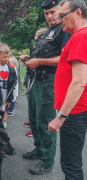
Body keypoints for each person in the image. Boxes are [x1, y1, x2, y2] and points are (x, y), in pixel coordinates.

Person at [20, 0, 71, 175]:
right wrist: (30, 57)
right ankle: (39, 149)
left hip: (49, 82)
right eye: (46, 13)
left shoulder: (63, 30)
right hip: (36, 80)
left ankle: (47, 161)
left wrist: (40, 61)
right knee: (34, 118)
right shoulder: (48, 31)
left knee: (46, 121)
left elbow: (64, 58)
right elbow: (44, 52)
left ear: (60, 11)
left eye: (52, 12)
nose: (49, 16)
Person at [48, 0, 87, 179]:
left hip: (75, 111)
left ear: (78, 13)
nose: (58, 19)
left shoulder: (80, 36)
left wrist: (61, 117)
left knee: (70, 164)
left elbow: (79, 81)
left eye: (62, 15)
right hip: (78, 108)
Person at [24, 27, 48, 137]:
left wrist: (36, 61)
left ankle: (37, 129)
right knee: (32, 104)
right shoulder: (36, 46)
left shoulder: (45, 46)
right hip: (33, 76)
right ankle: (33, 124)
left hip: (42, 79)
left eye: (37, 36)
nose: (36, 38)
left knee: (40, 108)